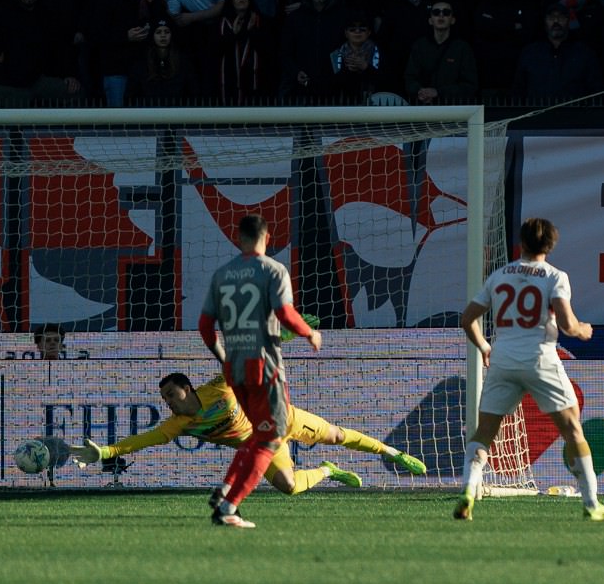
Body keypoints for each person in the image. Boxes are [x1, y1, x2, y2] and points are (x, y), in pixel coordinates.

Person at [455, 217, 604, 522]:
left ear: (521, 243)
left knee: (485, 432)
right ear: (551, 245)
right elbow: (569, 325)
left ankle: (468, 489)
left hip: (503, 358)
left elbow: (467, 319)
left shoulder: (500, 276)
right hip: (540, 359)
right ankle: (592, 503)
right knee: (572, 429)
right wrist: (584, 330)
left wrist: (484, 347)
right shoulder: (555, 276)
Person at [67, 371, 427, 492]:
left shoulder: (220, 389)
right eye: (164, 398)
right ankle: (328, 471)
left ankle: (392, 453)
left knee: (335, 434)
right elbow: (142, 440)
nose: (169, 402)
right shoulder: (180, 424)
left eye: (172, 394)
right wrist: (107, 453)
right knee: (288, 487)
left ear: (188, 390)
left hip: (280, 418)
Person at [198, 214, 321, 529]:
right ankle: (229, 506)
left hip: (235, 368)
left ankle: (226, 490)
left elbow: (205, 326)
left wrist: (223, 356)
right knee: (271, 438)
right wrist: (309, 333)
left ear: (238, 238)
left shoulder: (222, 274)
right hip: (264, 367)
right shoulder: (273, 270)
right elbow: (285, 312)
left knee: (258, 435)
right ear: (267, 237)